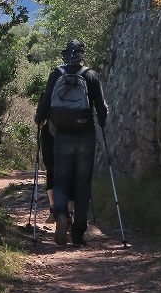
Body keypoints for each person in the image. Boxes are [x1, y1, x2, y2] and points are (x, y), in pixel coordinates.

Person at [34, 39, 108, 246]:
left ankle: (61, 214)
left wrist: (38, 119)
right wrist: (102, 121)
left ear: (65, 54)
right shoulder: (91, 75)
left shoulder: (56, 74)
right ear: (82, 55)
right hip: (86, 135)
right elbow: (101, 106)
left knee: (61, 180)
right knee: (82, 184)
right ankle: (77, 235)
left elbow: (45, 102)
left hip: (62, 136)